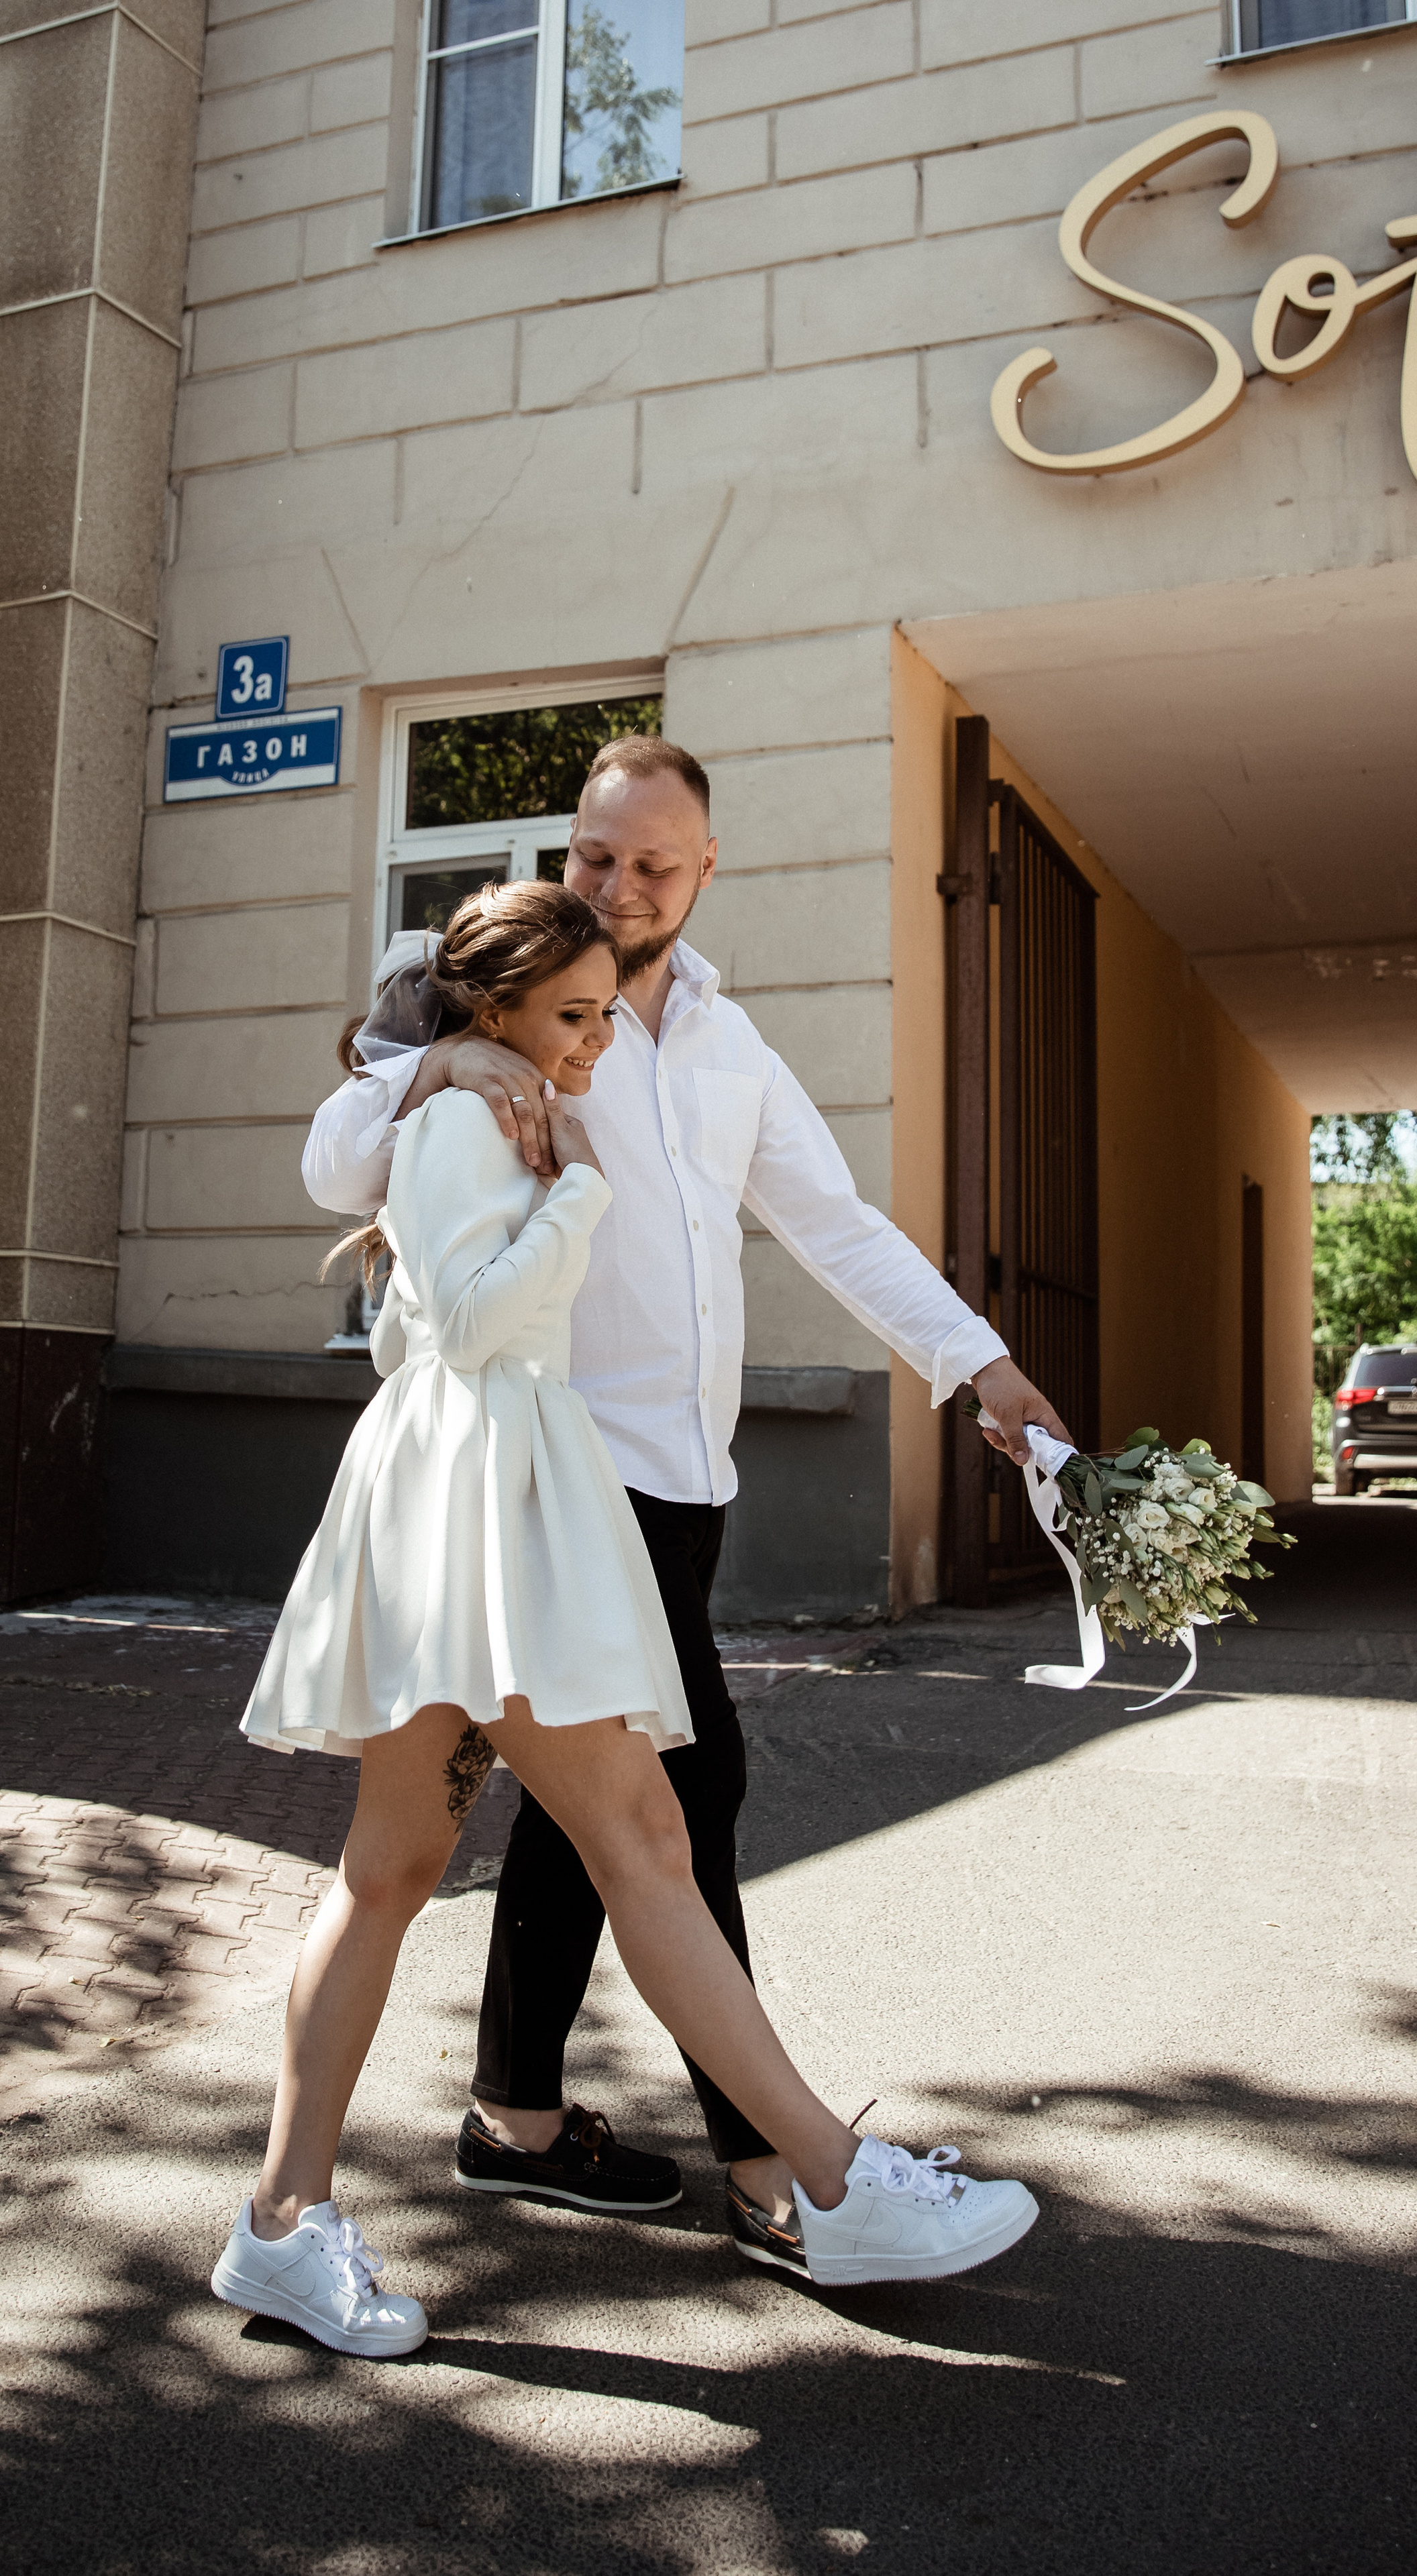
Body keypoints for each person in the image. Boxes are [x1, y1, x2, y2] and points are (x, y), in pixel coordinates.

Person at [213, 880, 1039, 2360]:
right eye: (575, 1017)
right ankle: (829, 2182)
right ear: (494, 1013)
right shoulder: (468, 1116)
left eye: (606, 1012)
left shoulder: (533, 1099)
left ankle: (282, 2225)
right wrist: (582, 1187)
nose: (599, 1041)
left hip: (479, 1495)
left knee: (393, 1869)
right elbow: (469, 1324)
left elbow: (824, 1227)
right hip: (481, 1502)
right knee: (644, 1840)